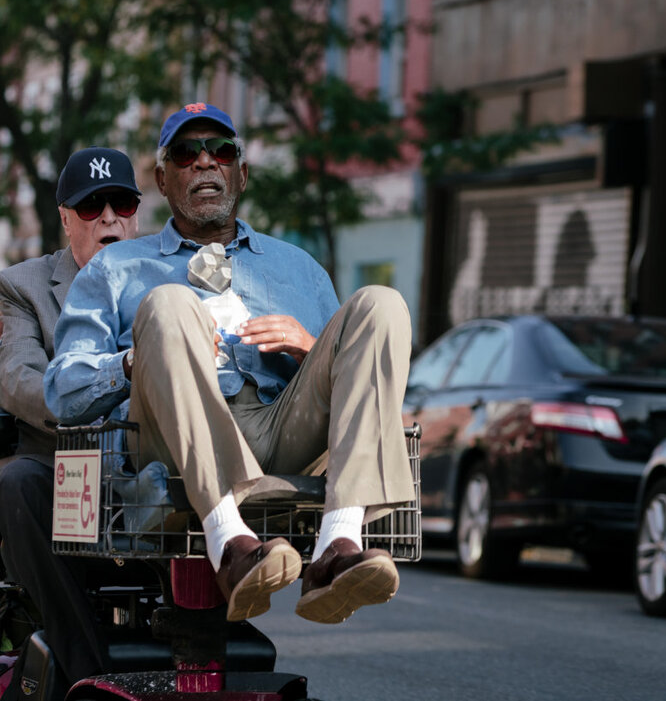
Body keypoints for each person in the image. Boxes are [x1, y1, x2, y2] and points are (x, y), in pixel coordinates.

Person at [45, 102, 415, 627]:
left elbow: (358, 379)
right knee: (171, 304)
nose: (204, 163)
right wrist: (137, 358)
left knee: (383, 303)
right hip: (171, 436)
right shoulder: (115, 268)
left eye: (220, 151)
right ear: (163, 179)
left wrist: (310, 347)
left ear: (241, 173)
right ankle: (229, 546)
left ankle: (337, 547)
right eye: (185, 153)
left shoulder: (299, 268)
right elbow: (61, 391)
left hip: (280, 427)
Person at [0, 147, 140, 692]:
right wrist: (93, 394)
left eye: (120, 203)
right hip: (70, 483)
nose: (107, 218)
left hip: (162, 480)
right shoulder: (24, 287)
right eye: (90, 205)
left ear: (136, 212)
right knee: (17, 480)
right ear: (64, 217)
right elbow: (18, 379)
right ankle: (91, 676)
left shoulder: (172, 274)